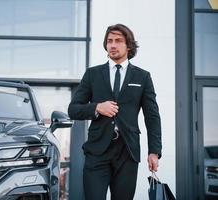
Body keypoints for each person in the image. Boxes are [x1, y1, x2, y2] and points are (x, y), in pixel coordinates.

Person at [68, 24, 162, 200]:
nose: (113, 45)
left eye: (118, 41)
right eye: (109, 41)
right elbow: (73, 109)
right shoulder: (92, 74)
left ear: (129, 46)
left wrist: (154, 152)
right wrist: (96, 107)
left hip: (128, 152)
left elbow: (152, 117)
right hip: (97, 151)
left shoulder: (143, 77)